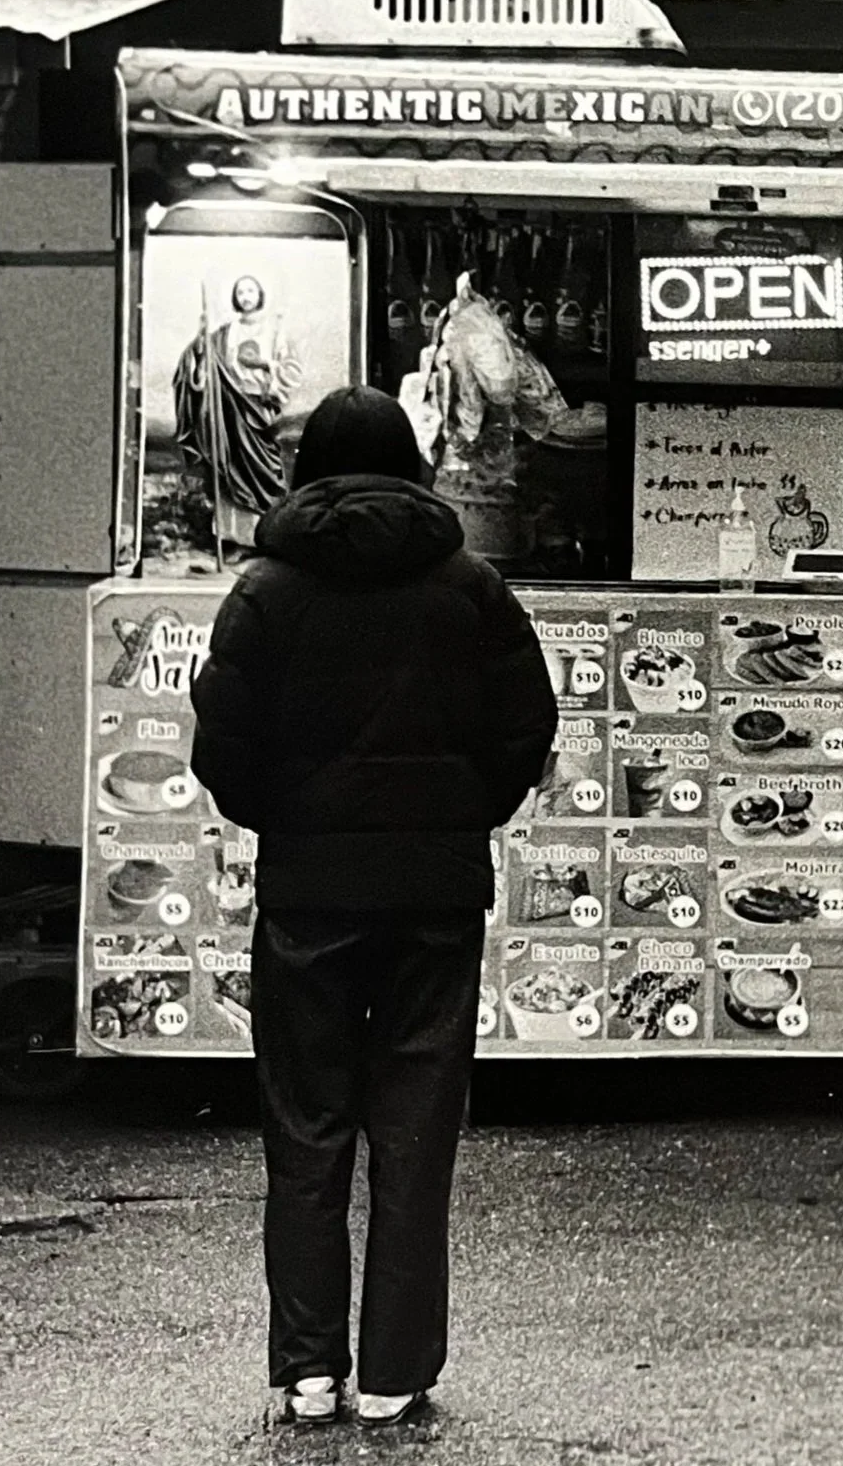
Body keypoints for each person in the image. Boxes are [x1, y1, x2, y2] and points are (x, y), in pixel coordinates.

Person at [191, 385, 557, 1428]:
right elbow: (526, 726)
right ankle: (395, 1374)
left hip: (310, 896)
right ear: (412, 466)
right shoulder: (471, 586)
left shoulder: (266, 590)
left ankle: (310, 1372)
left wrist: (291, 820)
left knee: (306, 1128)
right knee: (414, 1130)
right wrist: (459, 813)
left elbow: (221, 748)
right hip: (437, 895)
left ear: (308, 468)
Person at [174, 274, 304, 552]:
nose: (246, 296)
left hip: (258, 410)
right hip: (229, 412)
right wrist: (200, 338)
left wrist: (268, 366)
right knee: (229, 472)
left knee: (265, 473)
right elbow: (201, 363)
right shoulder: (224, 333)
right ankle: (234, 541)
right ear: (234, 297)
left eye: (251, 291)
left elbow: (292, 371)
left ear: (260, 295)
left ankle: (266, 539)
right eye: (241, 291)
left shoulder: (275, 331)